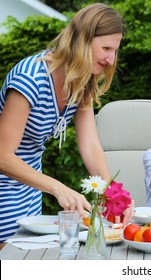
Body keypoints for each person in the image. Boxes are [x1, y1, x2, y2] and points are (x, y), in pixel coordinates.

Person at [0, 3, 133, 248]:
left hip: (30, 189)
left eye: (114, 50)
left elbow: (90, 145)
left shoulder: (81, 82)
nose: (110, 59)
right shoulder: (30, 78)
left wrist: (113, 192)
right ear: (81, 40)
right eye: (105, 48)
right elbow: (3, 156)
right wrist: (58, 187)